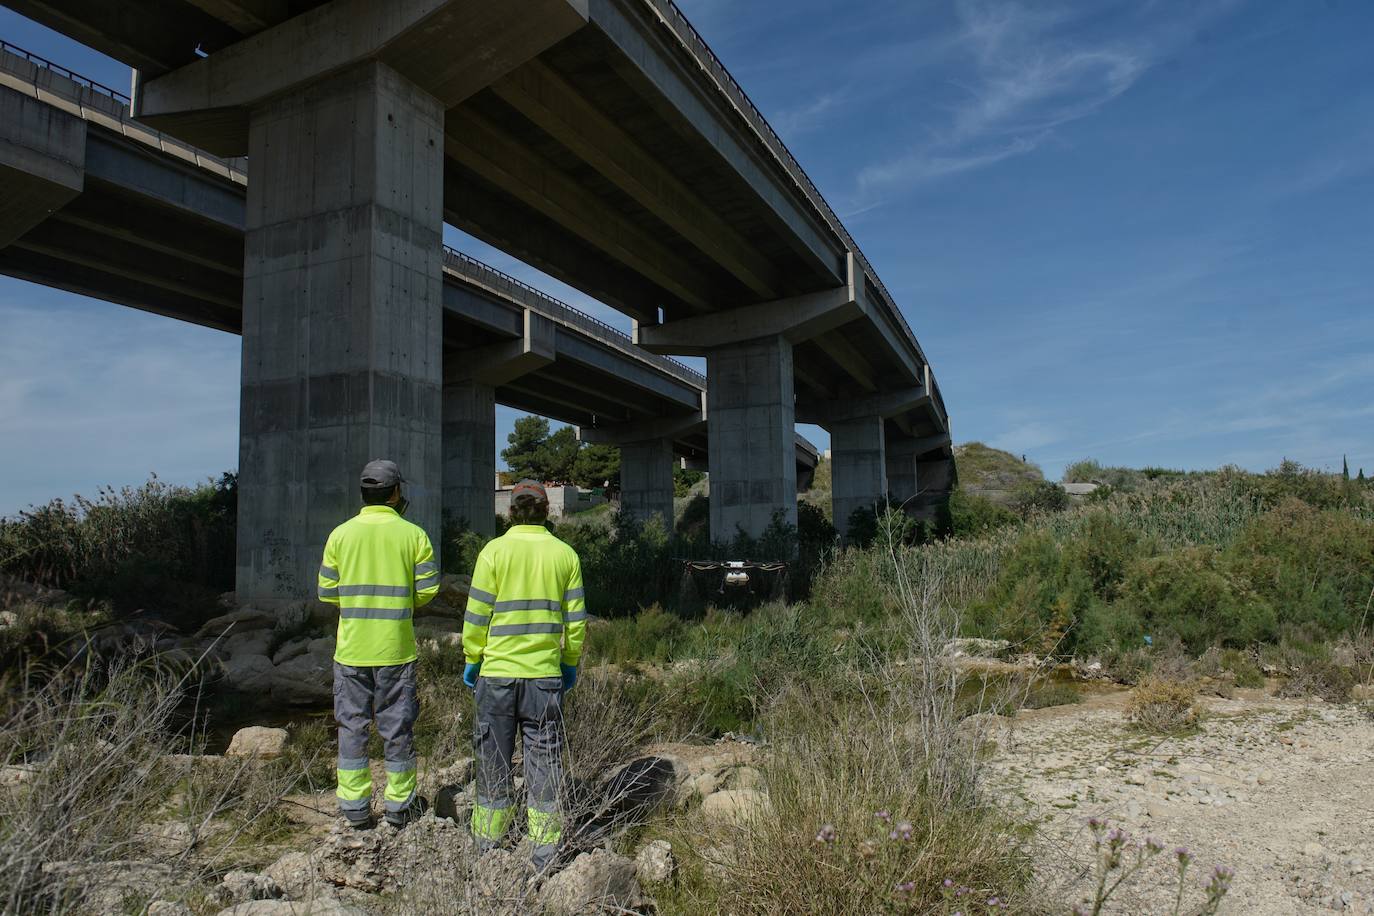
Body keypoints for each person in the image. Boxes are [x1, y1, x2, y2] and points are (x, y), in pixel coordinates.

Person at [462, 479, 587, 870]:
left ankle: (487, 843)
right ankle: (545, 850)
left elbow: (477, 614)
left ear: (511, 511)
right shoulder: (565, 555)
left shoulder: (493, 552)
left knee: (493, 758)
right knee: (544, 760)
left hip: (496, 674)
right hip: (544, 678)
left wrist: (472, 657)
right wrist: (568, 663)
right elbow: (576, 623)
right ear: (546, 511)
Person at [317, 459, 440, 829]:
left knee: (351, 728)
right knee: (397, 728)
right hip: (395, 650)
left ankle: (354, 809)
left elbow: (326, 593)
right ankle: (398, 808)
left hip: (352, 650)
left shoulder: (340, 535)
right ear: (396, 492)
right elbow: (429, 589)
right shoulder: (413, 535)